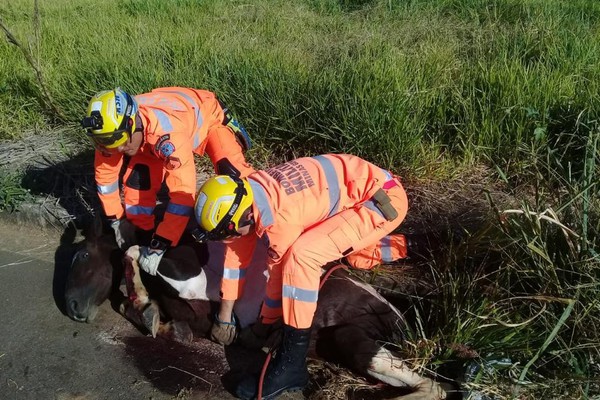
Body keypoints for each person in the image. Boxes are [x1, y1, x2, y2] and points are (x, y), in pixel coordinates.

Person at [192, 153, 411, 399]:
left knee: (302, 255)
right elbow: (236, 252)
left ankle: (292, 366)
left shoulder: (280, 222)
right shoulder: (249, 191)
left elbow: (276, 283)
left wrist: (262, 327)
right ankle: (396, 245)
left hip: (382, 201)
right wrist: (224, 315)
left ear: (246, 218)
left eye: (226, 234)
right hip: (360, 188)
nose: (225, 241)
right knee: (345, 253)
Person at [81, 87, 254, 277]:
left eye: (119, 140)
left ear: (132, 123)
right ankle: (142, 233)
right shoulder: (109, 132)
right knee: (137, 185)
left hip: (208, 117)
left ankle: (263, 229)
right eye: (109, 143)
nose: (119, 148)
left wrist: (162, 242)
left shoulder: (169, 137)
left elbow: (183, 195)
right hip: (148, 140)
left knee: (237, 178)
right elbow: (106, 178)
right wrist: (116, 220)